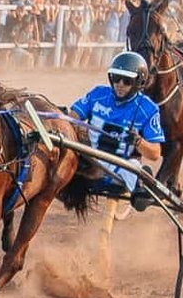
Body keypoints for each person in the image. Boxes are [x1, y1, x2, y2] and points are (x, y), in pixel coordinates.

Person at [68, 51, 165, 207]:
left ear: (139, 83)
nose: (119, 84)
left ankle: (139, 182)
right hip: (90, 159)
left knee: (133, 168)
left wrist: (139, 142)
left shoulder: (148, 109)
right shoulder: (97, 94)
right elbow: (72, 117)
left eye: (127, 81)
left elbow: (155, 153)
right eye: (115, 78)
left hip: (121, 168)